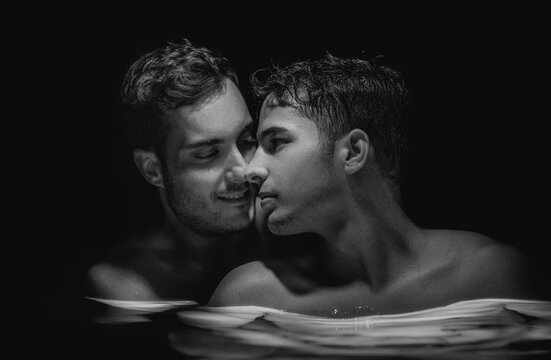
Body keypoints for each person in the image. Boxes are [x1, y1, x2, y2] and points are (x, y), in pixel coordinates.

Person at [208, 53, 543, 317]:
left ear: (353, 153)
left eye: (276, 142)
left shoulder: (491, 278)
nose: (251, 169)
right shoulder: (249, 299)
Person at [85, 39, 261, 303]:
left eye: (246, 140)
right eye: (207, 153)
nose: (244, 169)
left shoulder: (295, 240)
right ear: (152, 170)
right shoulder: (128, 287)